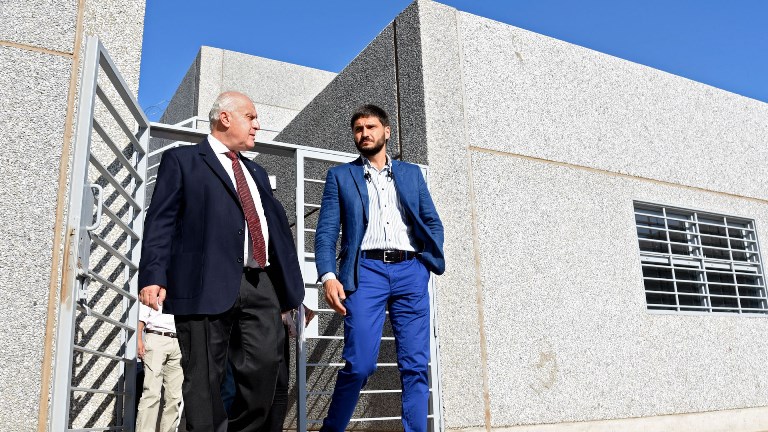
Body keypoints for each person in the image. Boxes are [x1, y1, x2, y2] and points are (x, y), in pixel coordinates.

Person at [138, 91, 305, 432]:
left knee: (266, 367)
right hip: (203, 282)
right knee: (203, 381)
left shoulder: (256, 172)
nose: (257, 125)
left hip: (259, 281)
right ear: (225, 118)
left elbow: (273, 229)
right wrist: (153, 273)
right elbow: (161, 221)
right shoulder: (182, 160)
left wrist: (288, 291)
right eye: (250, 117)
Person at [315, 104, 445, 432]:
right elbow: (326, 232)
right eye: (358, 129)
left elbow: (431, 221)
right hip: (366, 272)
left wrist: (425, 262)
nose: (364, 134)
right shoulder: (340, 176)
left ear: (386, 131)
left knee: (415, 366)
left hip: (411, 271)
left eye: (370, 127)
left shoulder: (411, 174)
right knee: (359, 364)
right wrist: (328, 276)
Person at [135, 303, 182, 432]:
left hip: (179, 340)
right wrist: (138, 339)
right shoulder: (155, 289)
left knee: (174, 397)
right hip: (156, 336)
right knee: (151, 393)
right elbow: (142, 314)